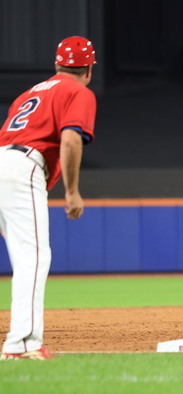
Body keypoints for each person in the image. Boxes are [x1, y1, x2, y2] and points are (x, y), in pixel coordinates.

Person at [0, 36, 97, 360]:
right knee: (33, 257)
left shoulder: (28, 94)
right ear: (88, 70)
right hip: (22, 166)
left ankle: (21, 342)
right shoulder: (78, 91)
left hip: (4, 159)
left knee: (24, 253)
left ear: (57, 65)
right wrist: (72, 192)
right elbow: (70, 139)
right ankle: (23, 345)